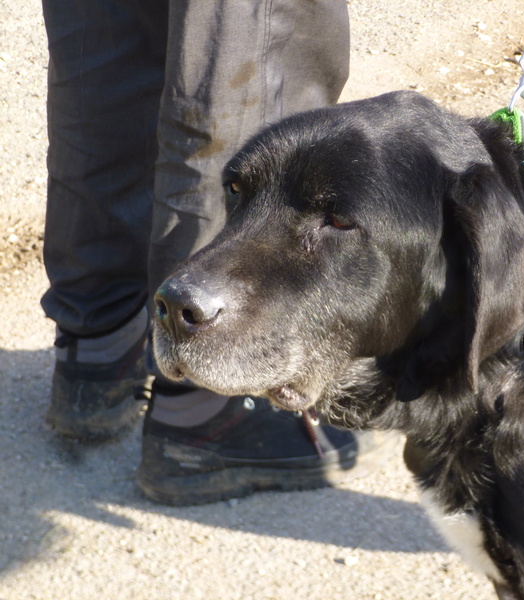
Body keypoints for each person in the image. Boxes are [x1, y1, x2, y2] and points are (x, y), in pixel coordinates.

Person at [40, 0, 392, 505]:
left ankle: (96, 348)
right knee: (250, 45)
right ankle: (207, 406)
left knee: (109, 32)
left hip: (90, 315)